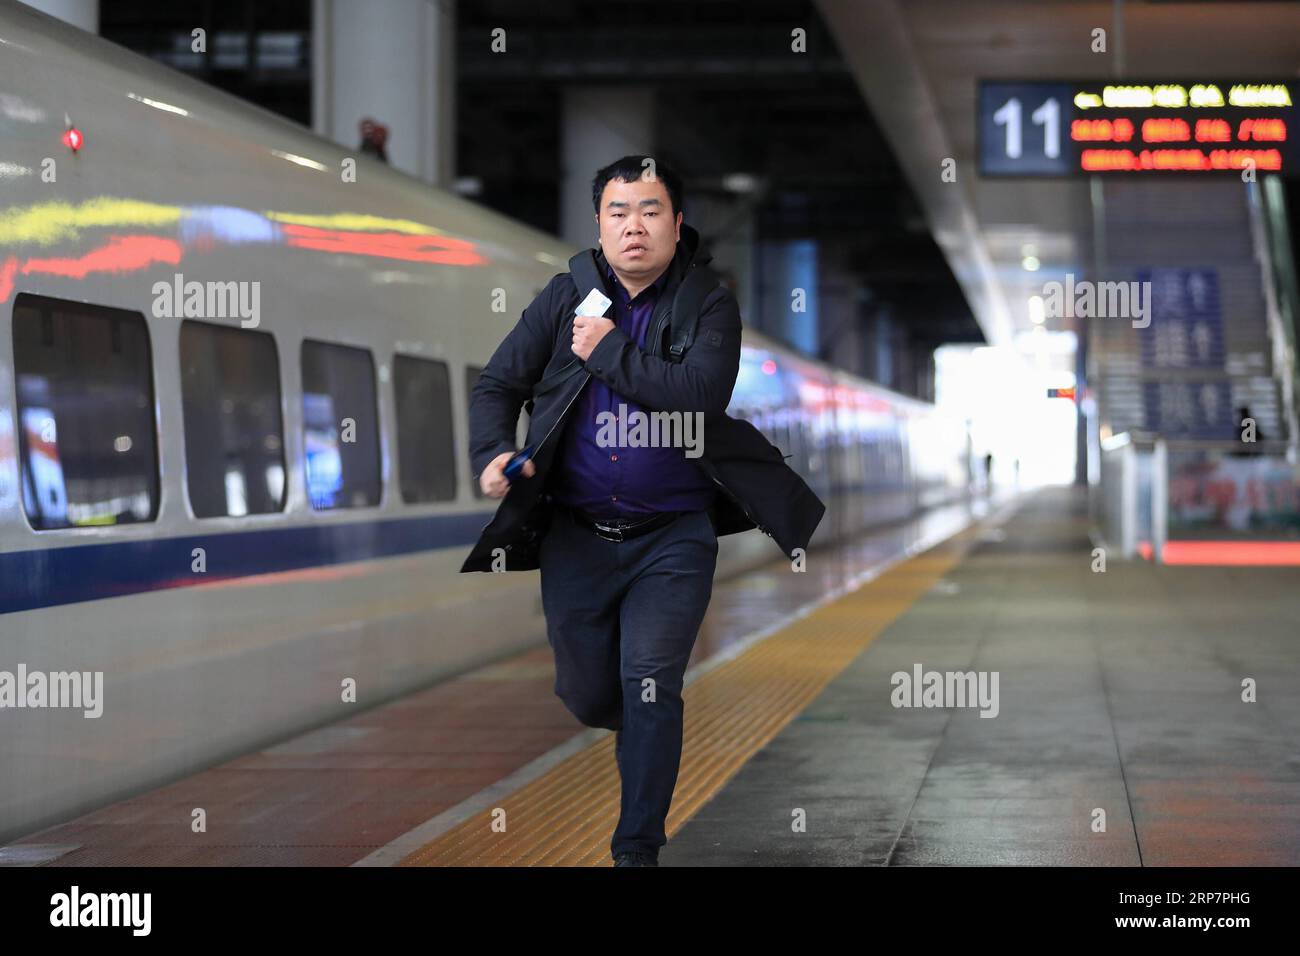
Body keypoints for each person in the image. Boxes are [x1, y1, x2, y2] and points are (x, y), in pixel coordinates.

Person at [463, 155, 824, 867]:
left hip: (673, 538)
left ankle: (637, 849)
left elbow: (695, 398)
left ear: (676, 223)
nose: (634, 227)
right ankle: (639, 725)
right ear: (599, 226)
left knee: (652, 683)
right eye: (618, 213)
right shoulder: (564, 296)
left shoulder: (708, 303)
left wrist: (609, 352)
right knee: (590, 692)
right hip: (576, 535)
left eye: (650, 211)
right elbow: (499, 383)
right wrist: (491, 454)